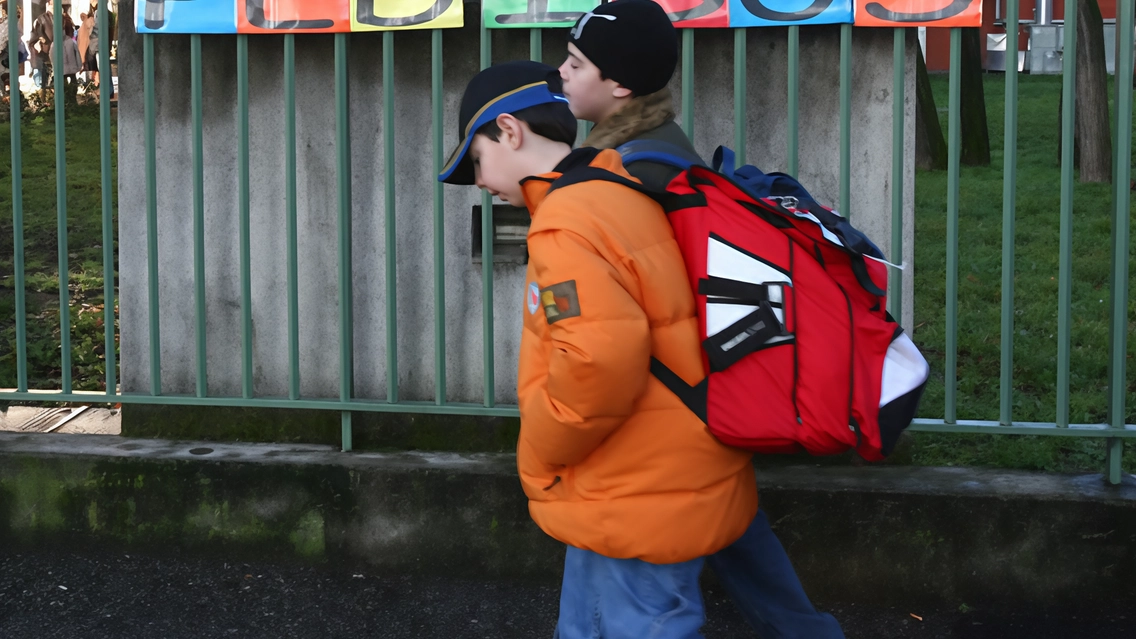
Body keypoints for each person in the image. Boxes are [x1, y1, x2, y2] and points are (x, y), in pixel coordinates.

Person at [438, 60, 758, 638]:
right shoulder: (613, 184)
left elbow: (597, 362)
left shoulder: (567, 222)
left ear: (509, 131)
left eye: (478, 161)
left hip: (632, 484)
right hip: (646, 472)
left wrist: (540, 455)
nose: (481, 183)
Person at [557, 2, 846, 637]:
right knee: (739, 536)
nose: (563, 73)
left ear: (619, 85)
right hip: (709, 407)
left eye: (577, 64)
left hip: (670, 421)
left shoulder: (632, 173)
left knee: (654, 596)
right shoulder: (667, 152)